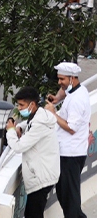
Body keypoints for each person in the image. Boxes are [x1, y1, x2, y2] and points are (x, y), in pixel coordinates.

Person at [5, 86, 60, 218]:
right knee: (33, 213)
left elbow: (18, 147)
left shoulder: (40, 123)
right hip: (44, 174)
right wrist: (19, 127)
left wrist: (11, 130)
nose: (19, 108)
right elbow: (30, 124)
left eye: (21, 105)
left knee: (33, 214)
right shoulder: (39, 115)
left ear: (32, 104)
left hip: (41, 178)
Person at [48, 62, 90, 218]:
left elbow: (71, 128)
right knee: (65, 196)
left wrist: (53, 114)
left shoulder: (77, 100)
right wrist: (57, 98)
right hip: (67, 153)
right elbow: (65, 91)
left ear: (72, 78)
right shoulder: (76, 90)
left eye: (62, 79)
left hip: (71, 155)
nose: (60, 82)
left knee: (70, 199)